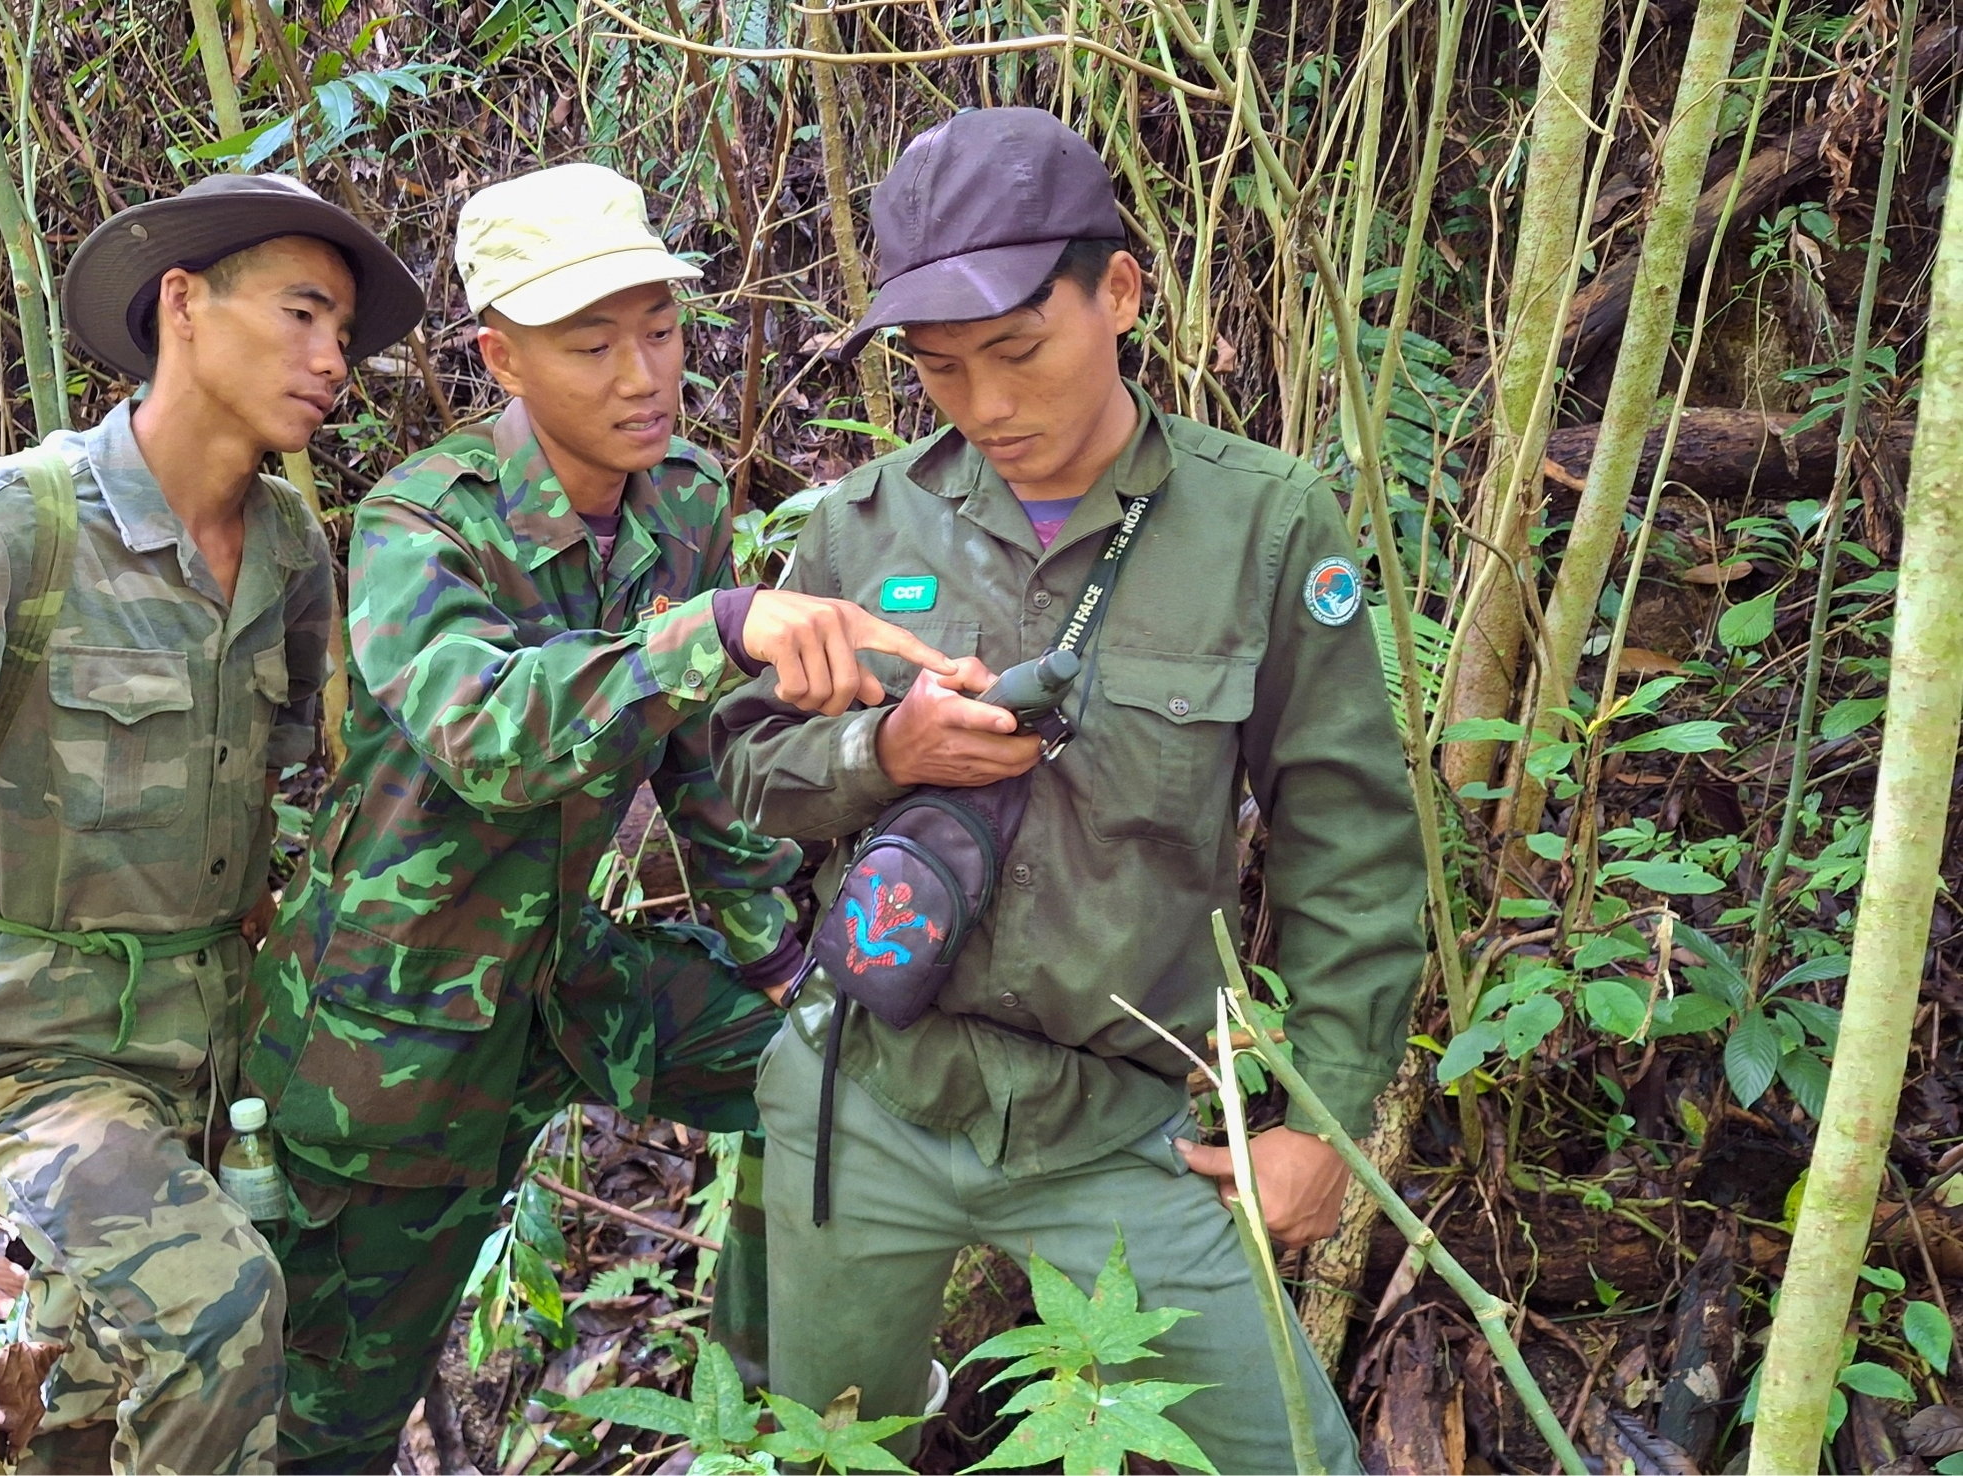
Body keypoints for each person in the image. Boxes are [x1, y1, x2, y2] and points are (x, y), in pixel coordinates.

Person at [711, 107, 1428, 1472]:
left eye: (1017, 352)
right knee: (822, 1451)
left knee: (1295, 1456)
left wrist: (1318, 1123)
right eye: (937, 369)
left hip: (1123, 1127)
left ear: (1118, 293)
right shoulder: (858, 527)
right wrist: (885, 755)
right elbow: (740, 772)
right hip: (868, 1100)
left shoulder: (1264, 528)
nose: (986, 407)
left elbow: (1351, 845)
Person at [239, 161, 954, 1474]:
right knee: (334, 1417)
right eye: (591, 343)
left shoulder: (679, 499)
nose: (642, 375)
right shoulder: (421, 524)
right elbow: (489, 738)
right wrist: (716, 629)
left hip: (568, 981)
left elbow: (699, 763)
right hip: (397, 1036)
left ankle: (785, 1424)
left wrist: (773, 956)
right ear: (500, 358)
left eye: (662, 331)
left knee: (827, 1085)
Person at [0, 172, 425, 1475]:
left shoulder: (289, 549)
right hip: (21, 1042)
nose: (332, 358)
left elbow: (287, 781)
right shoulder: (10, 524)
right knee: (214, 1312)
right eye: (300, 314)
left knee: (96, 1386)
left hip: (208, 1047)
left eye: (344, 332)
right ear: (183, 303)